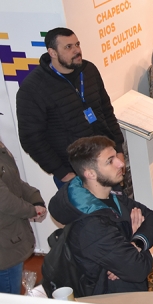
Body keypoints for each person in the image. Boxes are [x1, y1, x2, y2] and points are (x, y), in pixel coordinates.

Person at [49, 136, 153, 295]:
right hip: (113, 300)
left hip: (126, 291)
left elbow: (151, 218)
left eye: (116, 156)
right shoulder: (90, 226)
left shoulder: (111, 193)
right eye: (110, 161)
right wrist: (134, 235)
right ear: (90, 174)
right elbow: (139, 269)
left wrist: (135, 244)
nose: (121, 163)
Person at [17, 27, 125, 187]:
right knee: (90, 213)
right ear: (52, 53)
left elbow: (107, 111)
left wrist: (118, 150)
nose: (77, 50)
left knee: (119, 211)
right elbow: (31, 138)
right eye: (69, 47)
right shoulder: (33, 88)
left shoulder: (89, 70)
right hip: (74, 174)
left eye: (77, 44)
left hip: (107, 164)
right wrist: (62, 173)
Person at [0, 140, 46, 294]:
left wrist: (35, 198)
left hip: (10, 237)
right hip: (4, 248)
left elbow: (12, 180)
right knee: (9, 300)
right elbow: (4, 199)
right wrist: (32, 210)